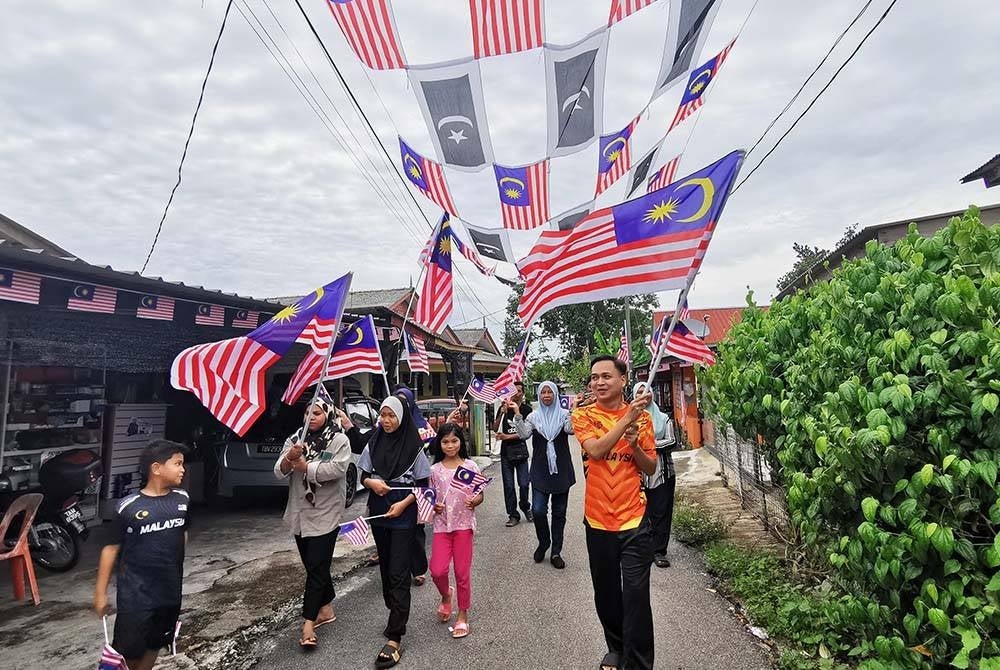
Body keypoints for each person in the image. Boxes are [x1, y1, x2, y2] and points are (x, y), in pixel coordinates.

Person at [571, 356, 658, 670]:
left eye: (606, 376)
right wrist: (627, 419)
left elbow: (651, 467)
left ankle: (638, 663)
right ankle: (617, 648)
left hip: (634, 520)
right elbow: (595, 450)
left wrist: (635, 446)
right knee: (606, 595)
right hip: (597, 520)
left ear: (623, 380)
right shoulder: (583, 415)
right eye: (594, 378)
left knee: (636, 596)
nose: (598, 383)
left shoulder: (643, 420)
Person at [94, 440, 190, 670]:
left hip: (169, 593)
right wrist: (100, 594)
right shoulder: (128, 507)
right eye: (177, 464)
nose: (183, 469)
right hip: (136, 596)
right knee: (127, 653)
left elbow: (183, 535)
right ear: (156, 468)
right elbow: (110, 549)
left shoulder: (182, 500)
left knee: (154, 644)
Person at [358, 397, 432, 669]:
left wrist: (402, 504)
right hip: (379, 513)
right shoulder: (375, 441)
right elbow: (363, 473)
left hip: (403, 515)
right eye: (383, 415)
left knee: (400, 573)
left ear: (401, 417)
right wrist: (371, 483)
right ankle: (395, 613)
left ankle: (395, 636)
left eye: (392, 416)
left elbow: (424, 485)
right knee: (387, 569)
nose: (387, 421)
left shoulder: (414, 448)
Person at [273, 397, 352, 648]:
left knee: (316, 568)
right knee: (313, 565)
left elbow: (339, 469)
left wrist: (308, 467)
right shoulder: (296, 439)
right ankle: (326, 608)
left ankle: (308, 622)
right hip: (300, 512)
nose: (311, 417)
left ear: (327, 414)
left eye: (316, 413)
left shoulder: (338, 439)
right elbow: (279, 471)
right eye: (307, 413)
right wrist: (290, 457)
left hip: (325, 512)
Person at [427, 423, 484, 639]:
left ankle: (462, 614)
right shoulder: (434, 471)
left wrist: (475, 501)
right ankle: (445, 595)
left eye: (454, 441)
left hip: (464, 526)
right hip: (442, 526)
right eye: (445, 442)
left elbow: (480, 494)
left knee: (462, 573)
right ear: (439, 444)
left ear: (461, 442)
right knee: (437, 571)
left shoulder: (470, 467)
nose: (450, 446)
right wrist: (435, 506)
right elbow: (429, 498)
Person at [514, 381, 575, 569]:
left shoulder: (564, 415)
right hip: (540, 469)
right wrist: (517, 414)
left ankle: (556, 551)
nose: (547, 395)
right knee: (539, 510)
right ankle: (544, 542)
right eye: (543, 392)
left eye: (550, 392)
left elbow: (570, 430)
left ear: (556, 395)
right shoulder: (534, 417)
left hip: (561, 470)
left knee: (559, 513)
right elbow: (524, 435)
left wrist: (574, 411)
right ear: (539, 396)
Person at [633, 382, 676, 569]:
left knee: (661, 512)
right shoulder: (630, 418)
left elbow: (672, 441)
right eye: (640, 392)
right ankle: (643, 549)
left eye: (647, 391)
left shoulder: (664, 419)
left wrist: (647, 445)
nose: (645, 395)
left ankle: (659, 551)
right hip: (637, 474)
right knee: (642, 513)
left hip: (662, 473)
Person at [393, 386, 433, 586]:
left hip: (415, 481)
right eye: (396, 400)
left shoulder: (421, 424)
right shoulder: (387, 424)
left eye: (404, 400)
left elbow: (433, 443)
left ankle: (418, 568)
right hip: (391, 485)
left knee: (416, 529)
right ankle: (398, 568)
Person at [493, 381, 532, 527]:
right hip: (506, 453)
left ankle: (525, 506)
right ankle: (513, 514)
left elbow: (526, 432)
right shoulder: (503, 408)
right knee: (508, 486)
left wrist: (507, 437)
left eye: (519, 391)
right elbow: (495, 428)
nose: (516, 394)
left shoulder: (527, 410)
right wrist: (501, 413)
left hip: (521, 452)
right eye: (513, 391)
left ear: (523, 393)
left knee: (524, 484)